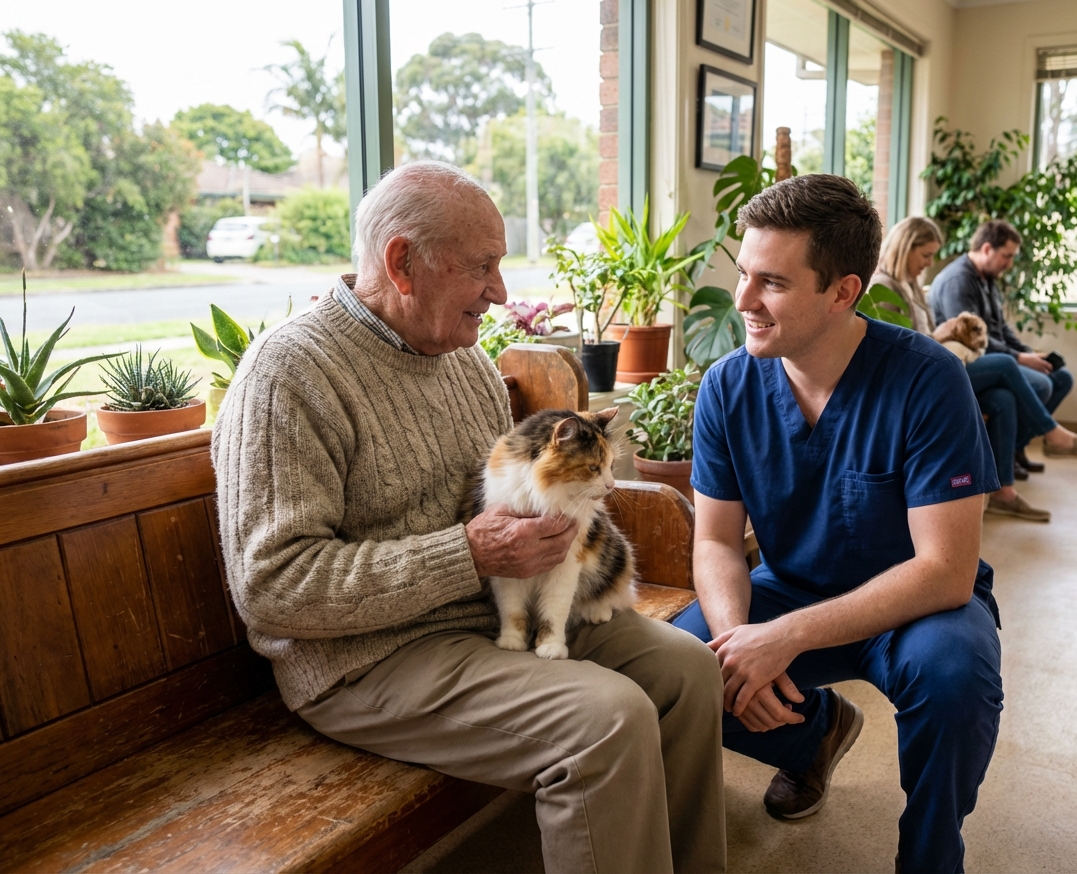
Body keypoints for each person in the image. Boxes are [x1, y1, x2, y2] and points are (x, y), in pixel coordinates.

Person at [211, 161, 726, 874]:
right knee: (606, 721)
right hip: (365, 659)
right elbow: (271, 587)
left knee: (688, 671)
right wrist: (468, 556)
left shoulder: (467, 363)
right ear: (401, 263)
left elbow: (518, 502)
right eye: (482, 266)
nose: (500, 291)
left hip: (491, 619)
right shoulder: (288, 374)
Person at [673, 174, 1003, 874]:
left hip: (917, 608)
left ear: (843, 292)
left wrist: (783, 639)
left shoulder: (928, 379)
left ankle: (931, 857)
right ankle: (813, 738)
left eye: (773, 283)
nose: (743, 303)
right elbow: (714, 542)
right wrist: (740, 642)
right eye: (742, 276)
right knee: (678, 668)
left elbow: (944, 570)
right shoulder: (728, 387)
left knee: (954, 679)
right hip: (789, 587)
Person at [871, 217, 1077, 521]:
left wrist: (1024, 351)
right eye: (926, 255)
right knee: (1007, 365)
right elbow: (900, 351)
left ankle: (1003, 491)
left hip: (937, 366)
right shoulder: (885, 288)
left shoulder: (911, 285)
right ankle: (1054, 435)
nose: (930, 263)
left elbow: (987, 330)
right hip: (920, 378)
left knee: (1003, 399)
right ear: (905, 249)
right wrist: (940, 335)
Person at [928, 219, 1077, 471]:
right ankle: (1051, 437)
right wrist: (1019, 358)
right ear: (987, 249)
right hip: (966, 360)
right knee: (1040, 384)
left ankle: (1014, 451)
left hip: (991, 356)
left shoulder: (987, 278)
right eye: (1007, 256)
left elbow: (1001, 329)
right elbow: (969, 337)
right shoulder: (958, 280)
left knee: (1060, 377)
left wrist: (1027, 352)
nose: (1010, 264)